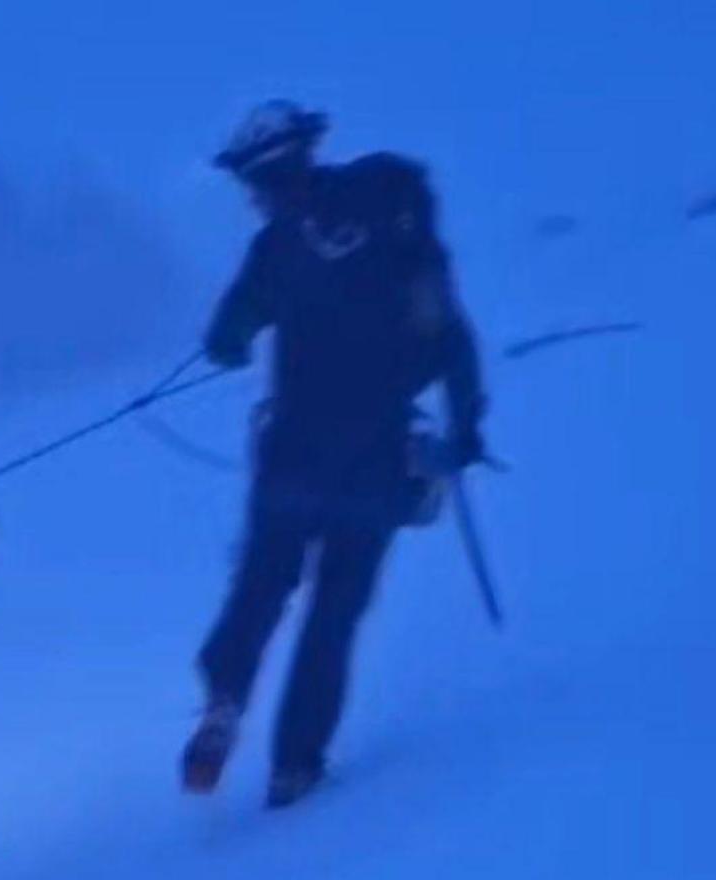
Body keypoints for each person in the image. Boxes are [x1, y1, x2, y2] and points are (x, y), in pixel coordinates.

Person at [181, 101, 490, 809]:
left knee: (261, 586)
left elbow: (227, 338)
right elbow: (452, 340)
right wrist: (467, 430)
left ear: (266, 180)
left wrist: (235, 342)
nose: (253, 202)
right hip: (379, 463)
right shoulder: (402, 235)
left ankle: (224, 700)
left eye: (251, 190)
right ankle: (296, 765)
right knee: (335, 614)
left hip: (290, 454)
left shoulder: (277, 246)